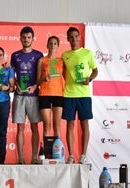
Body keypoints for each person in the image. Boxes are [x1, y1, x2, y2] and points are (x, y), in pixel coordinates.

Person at [62, 26, 98, 164]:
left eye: (76, 36)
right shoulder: (65, 55)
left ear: (79, 37)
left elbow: (95, 70)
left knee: (84, 124)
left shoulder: (87, 53)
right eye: (71, 37)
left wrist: (89, 79)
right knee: (70, 125)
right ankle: (71, 155)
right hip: (69, 95)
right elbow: (63, 72)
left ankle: (83, 155)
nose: (74, 39)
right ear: (68, 39)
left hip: (84, 95)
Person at [11, 26, 43, 164]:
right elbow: (12, 75)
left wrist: (35, 86)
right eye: (24, 37)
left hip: (34, 95)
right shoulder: (15, 55)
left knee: (35, 126)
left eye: (29, 37)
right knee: (20, 127)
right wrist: (16, 85)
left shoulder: (38, 55)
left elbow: (40, 75)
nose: (26, 40)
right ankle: (21, 158)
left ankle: (35, 157)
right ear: (20, 38)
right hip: (19, 96)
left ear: (33, 38)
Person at [36, 36, 64, 139]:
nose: (52, 45)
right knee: (47, 125)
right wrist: (44, 78)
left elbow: (66, 76)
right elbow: (37, 81)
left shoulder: (61, 61)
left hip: (58, 95)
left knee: (57, 126)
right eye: (50, 43)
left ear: (58, 46)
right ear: (47, 45)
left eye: (55, 43)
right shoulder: (42, 60)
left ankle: (57, 153)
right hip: (44, 95)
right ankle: (47, 153)